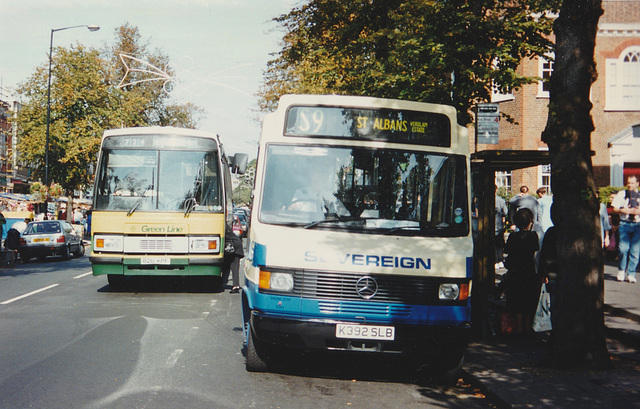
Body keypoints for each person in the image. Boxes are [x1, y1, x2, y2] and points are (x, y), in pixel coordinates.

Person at [503, 207, 540, 334]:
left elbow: (506, 250)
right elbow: (535, 249)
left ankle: (518, 328)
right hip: (529, 270)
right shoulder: (533, 236)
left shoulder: (513, 236)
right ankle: (527, 327)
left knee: (516, 300)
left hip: (515, 271)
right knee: (528, 300)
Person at [611, 175, 640, 283]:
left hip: (637, 225)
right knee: (623, 249)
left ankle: (631, 273)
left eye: (632, 183)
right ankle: (622, 270)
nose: (629, 185)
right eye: (628, 182)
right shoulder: (622, 194)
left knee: (635, 251)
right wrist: (622, 211)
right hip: (624, 224)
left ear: (637, 184)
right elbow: (614, 209)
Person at [222, 226, 245, 293]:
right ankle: (225, 282)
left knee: (233, 266)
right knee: (229, 265)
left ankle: (235, 286)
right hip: (236, 247)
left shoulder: (222, 228)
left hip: (234, 248)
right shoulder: (227, 228)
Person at [495, 185, 508, 269]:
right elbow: (506, 212)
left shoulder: (484, 200)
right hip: (499, 225)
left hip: (490, 227)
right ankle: (500, 260)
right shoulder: (501, 200)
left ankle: (495, 261)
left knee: (493, 245)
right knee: (499, 244)